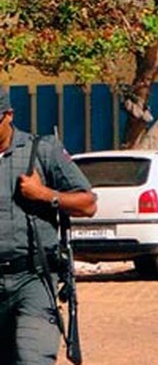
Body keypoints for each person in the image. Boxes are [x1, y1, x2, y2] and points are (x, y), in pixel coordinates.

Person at [0, 85, 98, 365]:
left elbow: (88, 203)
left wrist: (44, 195)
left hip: (32, 277)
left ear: (9, 115)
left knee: (33, 358)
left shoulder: (41, 150)